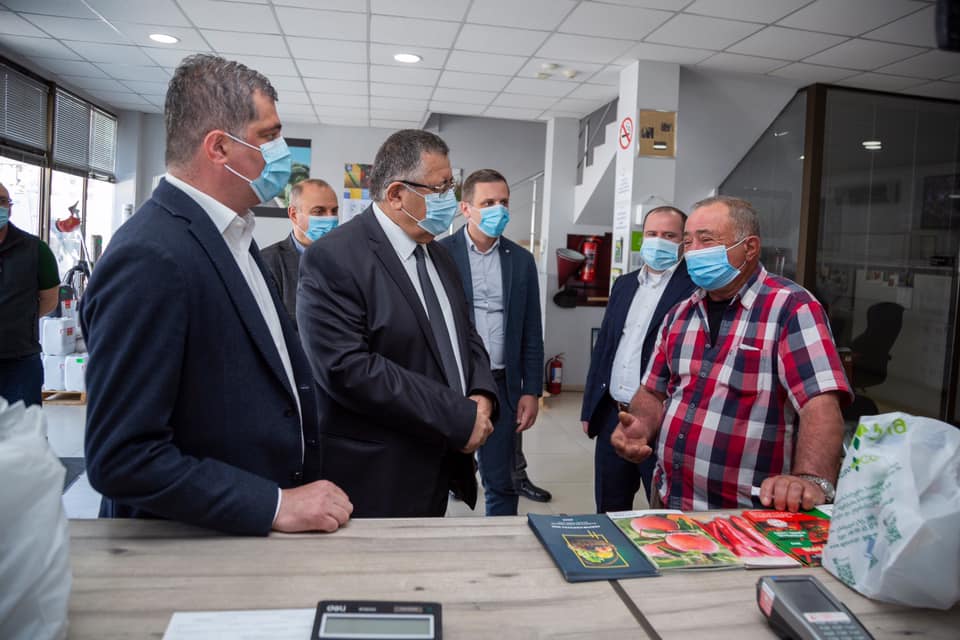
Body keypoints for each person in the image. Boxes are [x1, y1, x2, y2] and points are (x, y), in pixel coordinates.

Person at [80, 54, 352, 536]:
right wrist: (273, 504)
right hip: (190, 546)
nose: (282, 153)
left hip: (249, 535)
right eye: (268, 136)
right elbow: (122, 457)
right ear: (220, 148)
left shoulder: (233, 236)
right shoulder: (151, 256)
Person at [297, 129, 497, 518]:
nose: (450, 200)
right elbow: (347, 368)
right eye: (439, 188)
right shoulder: (334, 257)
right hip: (379, 472)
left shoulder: (440, 255)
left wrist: (481, 394)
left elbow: (465, 335)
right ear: (395, 195)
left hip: (440, 460)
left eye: (451, 187)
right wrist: (456, 415)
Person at [613, 196, 852, 513]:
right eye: (688, 242)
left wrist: (810, 479)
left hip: (746, 512)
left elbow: (820, 404)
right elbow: (653, 391)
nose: (693, 251)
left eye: (706, 240)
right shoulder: (680, 314)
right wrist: (640, 425)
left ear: (749, 247)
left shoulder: (791, 308)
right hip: (672, 501)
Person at [439, 169, 544, 516]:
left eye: (503, 202)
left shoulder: (521, 261)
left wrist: (532, 390)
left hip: (502, 384)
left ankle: (501, 538)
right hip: (453, 384)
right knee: (439, 475)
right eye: (488, 203)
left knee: (502, 480)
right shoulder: (439, 254)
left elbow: (531, 329)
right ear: (466, 208)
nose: (498, 209)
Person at [581, 206, 695, 512]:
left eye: (669, 235)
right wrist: (590, 406)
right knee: (609, 508)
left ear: (683, 242)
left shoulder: (694, 288)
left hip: (661, 420)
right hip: (614, 414)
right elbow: (605, 348)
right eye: (652, 234)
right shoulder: (625, 284)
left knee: (662, 510)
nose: (659, 241)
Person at [0, 182, 60, 407]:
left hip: (20, 363)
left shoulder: (35, 250)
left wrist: (16, 318)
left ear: (10, 207)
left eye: (2, 201)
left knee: (25, 428)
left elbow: (49, 300)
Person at [260, 178, 339, 326]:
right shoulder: (268, 262)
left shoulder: (348, 259)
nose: (330, 218)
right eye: (319, 212)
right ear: (294, 215)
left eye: (334, 211)